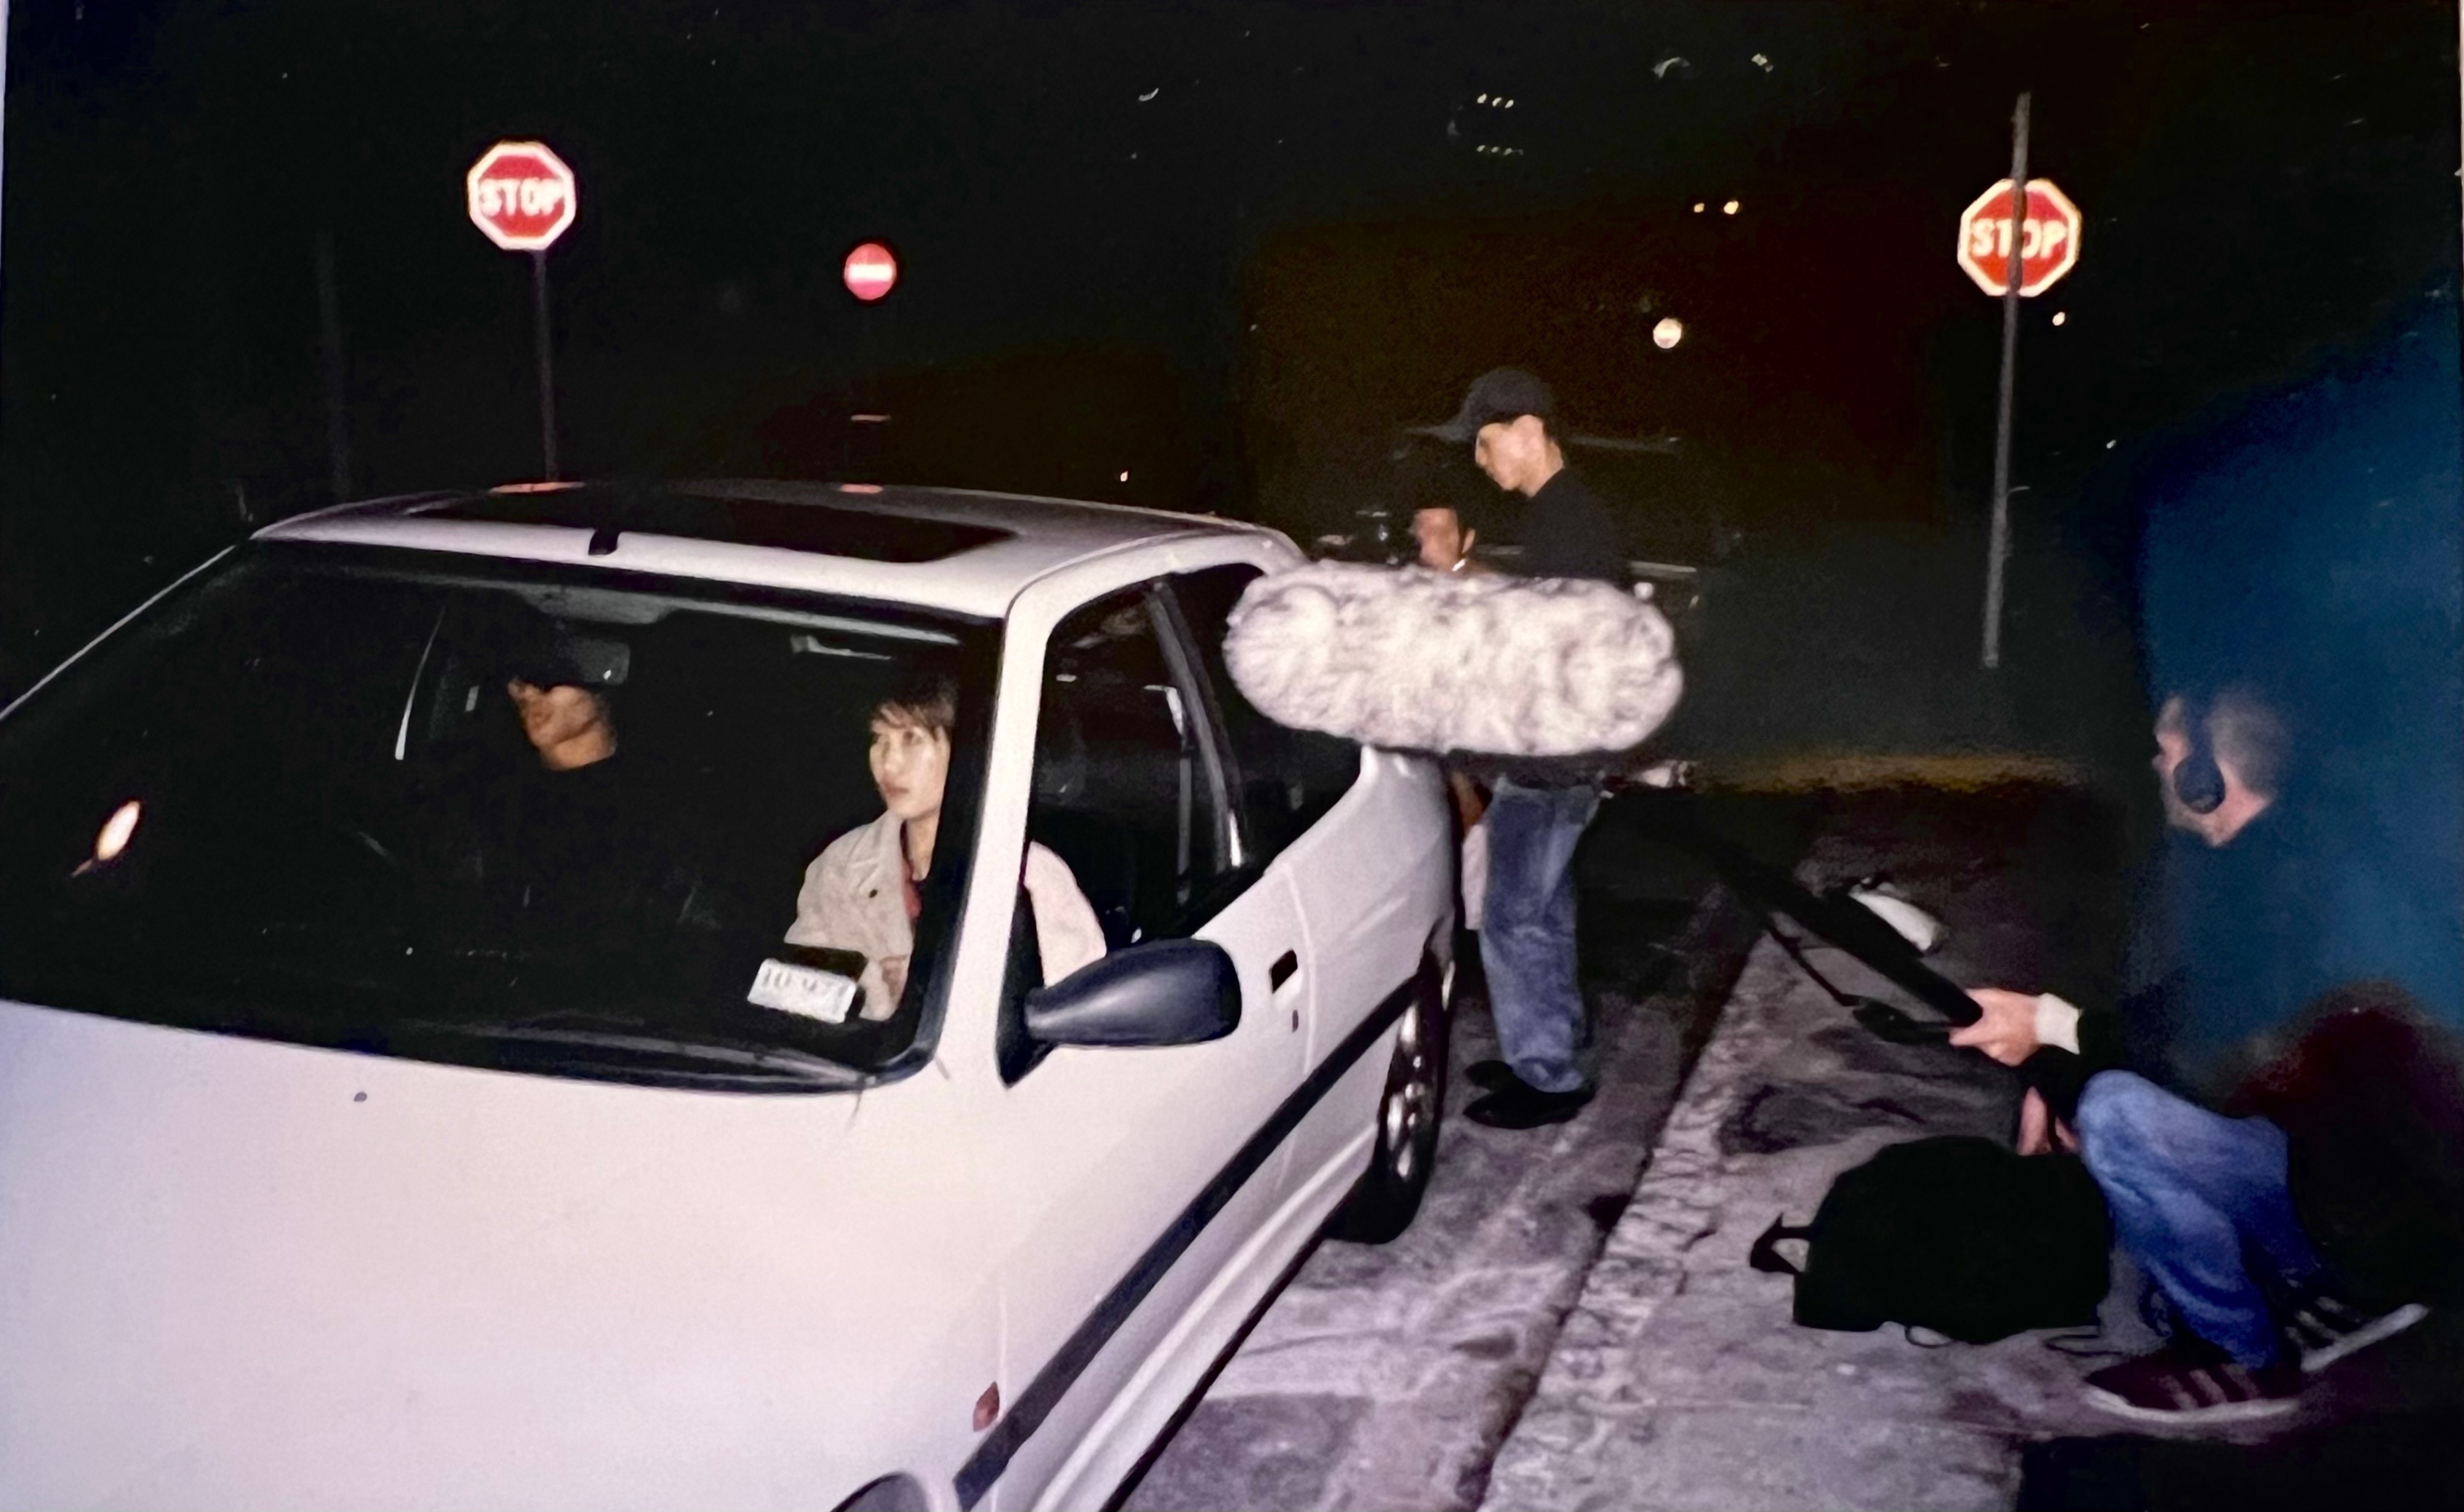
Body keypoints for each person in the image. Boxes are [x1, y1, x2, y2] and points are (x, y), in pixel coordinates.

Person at [1952, 683, 2463, 1424]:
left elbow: (2219, 1054)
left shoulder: (2310, 892)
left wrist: (2059, 1035)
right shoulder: (2278, 857)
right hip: (2361, 1185)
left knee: (2122, 1116)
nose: (2155, 766)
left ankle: (2244, 1358)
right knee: (2114, 1099)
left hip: (2390, 1220)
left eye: (2167, 754)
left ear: (2208, 777)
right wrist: (2058, 1054)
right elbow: (2181, 1007)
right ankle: (2324, 1284)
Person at [1424, 367, 1629, 1128]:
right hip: (1563, 750)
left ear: (1528, 432)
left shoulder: (1568, 519)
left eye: (1486, 443)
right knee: (1544, 914)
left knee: (1512, 918)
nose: (1482, 462)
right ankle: (1554, 1047)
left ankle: (1547, 1078)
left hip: (1554, 761)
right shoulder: (1566, 516)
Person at [787, 671, 1104, 1020]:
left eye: (911, 739)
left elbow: (1076, 1022)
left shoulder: (1030, 875)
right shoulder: (841, 865)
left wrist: (926, 984)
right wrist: (881, 991)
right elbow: (798, 994)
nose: (888, 763)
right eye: (879, 739)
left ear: (964, 750)